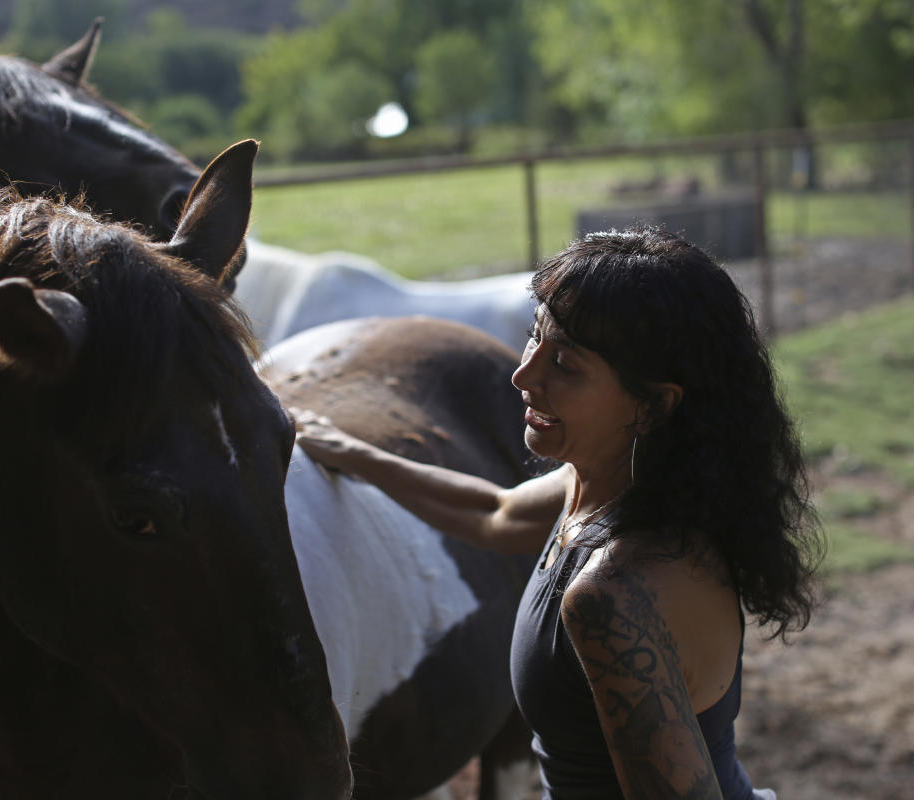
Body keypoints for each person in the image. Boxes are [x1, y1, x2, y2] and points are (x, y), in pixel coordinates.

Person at [293, 226, 822, 800]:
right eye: (534, 338)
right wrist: (355, 454)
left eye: (565, 364)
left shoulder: (614, 596)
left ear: (652, 405)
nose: (524, 376)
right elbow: (494, 512)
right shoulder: (607, 486)